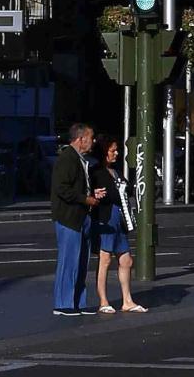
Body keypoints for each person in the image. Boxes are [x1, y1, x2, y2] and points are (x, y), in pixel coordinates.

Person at [50, 122, 102, 316]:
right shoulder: (67, 159)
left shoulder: (80, 159)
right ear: (80, 139)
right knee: (68, 260)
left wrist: (91, 193)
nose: (93, 141)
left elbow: (77, 186)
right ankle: (63, 303)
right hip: (69, 217)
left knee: (81, 261)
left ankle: (77, 301)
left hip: (82, 216)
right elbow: (61, 188)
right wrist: (85, 198)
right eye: (91, 137)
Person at [90, 139, 144, 315]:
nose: (116, 153)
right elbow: (97, 193)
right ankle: (103, 300)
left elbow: (126, 190)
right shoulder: (96, 172)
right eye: (112, 150)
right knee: (105, 259)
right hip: (106, 218)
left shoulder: (116, 172)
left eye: (116, 150)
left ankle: (127, 300)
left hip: (120, 218)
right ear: (104, 152)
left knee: (126, 260)